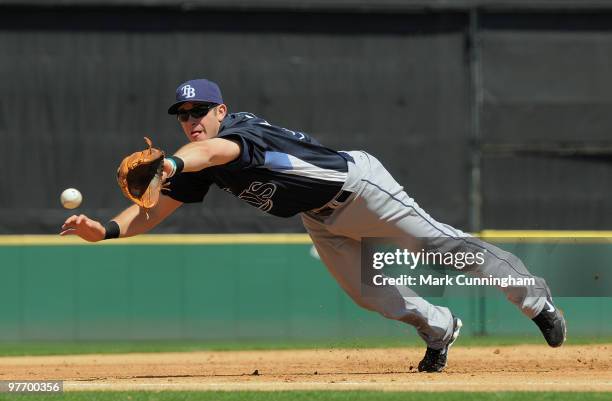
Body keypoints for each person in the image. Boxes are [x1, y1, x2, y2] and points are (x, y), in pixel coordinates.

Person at [61, 78, 567, 372]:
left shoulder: (237, 132)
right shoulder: (193, 162)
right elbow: (152, 210)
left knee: (441, 246)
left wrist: (171, 163)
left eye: (199, 110)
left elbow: (210, 151)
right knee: (369, 294)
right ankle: (440, 330)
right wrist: (104, 230)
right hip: (319, 217)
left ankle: (536, 300)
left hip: (360, 188)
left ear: (221, 110)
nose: (191, 118)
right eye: (182, 113)